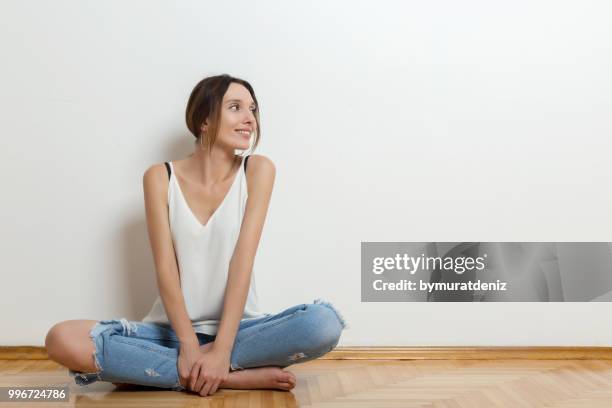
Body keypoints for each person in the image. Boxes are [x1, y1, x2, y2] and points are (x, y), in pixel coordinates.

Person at [44, 74, 347, 397]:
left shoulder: (258, 170)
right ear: (204, 119)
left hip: (242, 331)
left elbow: (241, 264)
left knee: (322, 323)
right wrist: (189, 345)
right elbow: (166, 269)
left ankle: (168, 371)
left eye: (253, 109)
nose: (250, 119)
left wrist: (220, 349)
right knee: (61, 339)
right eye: (235, 107)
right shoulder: (160, 177)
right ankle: (230, 376)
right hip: (170, 333)